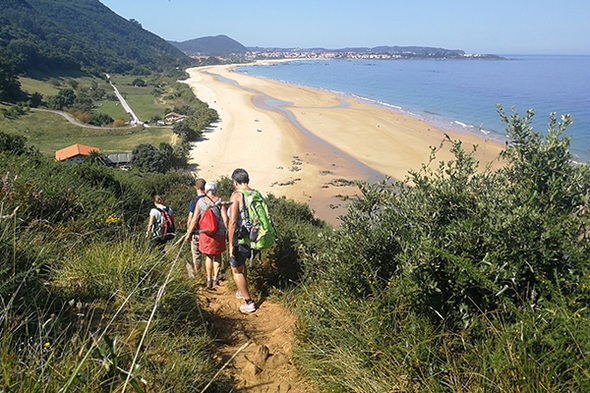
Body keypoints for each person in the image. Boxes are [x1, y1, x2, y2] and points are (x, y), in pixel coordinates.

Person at [227, 168, 258, 313]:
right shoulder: (255, 193)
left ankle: (249, 302)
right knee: (242, 264)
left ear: (235, 182)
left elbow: (232, 222)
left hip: (241, 239)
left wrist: (230, 244)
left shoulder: (236, 196)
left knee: (236, 270)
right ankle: (241, 290)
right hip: (256, 238)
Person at [198, 181, 228, 289]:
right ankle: (216, 278)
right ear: (215, 190)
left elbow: (195, 219)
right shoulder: (220, 202)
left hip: (205, 234)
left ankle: (208, 279)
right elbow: (225, 219)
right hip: (218, 233)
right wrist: (228, 231)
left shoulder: (200, 202)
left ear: (205, 191)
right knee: (218, 255)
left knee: (208, 256)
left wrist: (190, 232)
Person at [185, 178, 206, 278]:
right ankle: (212, 275)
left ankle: (199, 275)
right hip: (210, 232)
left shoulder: (194, 201)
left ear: (195, 188)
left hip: (197, 232)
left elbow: (191, 218)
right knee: (210, 255)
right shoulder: (210, 199)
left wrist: (189, 231)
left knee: (197, 255)